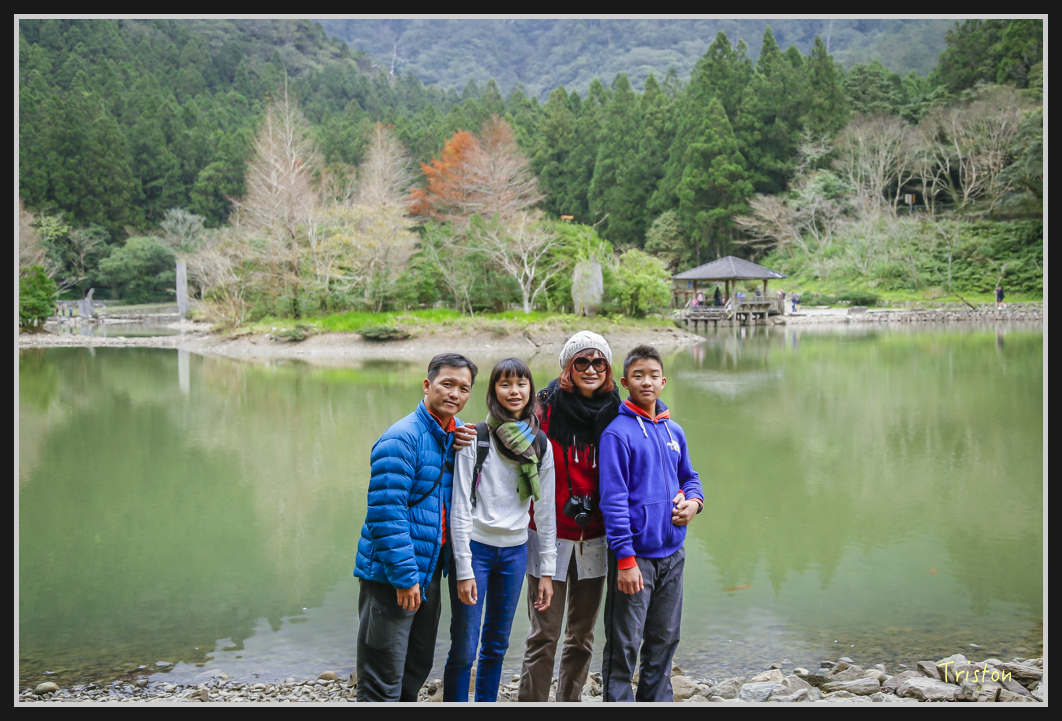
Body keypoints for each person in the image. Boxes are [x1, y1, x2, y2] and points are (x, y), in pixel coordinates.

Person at [353, 353, 479, 702]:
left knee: (416, 666)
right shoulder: (401, 438)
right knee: (382, 674)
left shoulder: (451, 436)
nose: (455, 393)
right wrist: (405, 577)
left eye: (463, 388)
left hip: (429, 570)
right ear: (427, 385)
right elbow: (386, 513)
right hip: (392, 575)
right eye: (447, 384)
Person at [445, 358, 557, 702]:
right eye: (505, 384)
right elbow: (460, 506)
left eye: (521, 384)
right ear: (494, 391)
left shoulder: (540, 444)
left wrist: (547, 570)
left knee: (496, 645)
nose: (514, 391)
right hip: (476, 549)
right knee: (464, 647)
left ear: (531, 390)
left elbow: (545, 511)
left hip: (515, 553)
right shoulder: (475, 437)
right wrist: (464, 568)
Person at [518, 331, 622, 702]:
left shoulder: (618, 412)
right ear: (568, 366)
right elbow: (506, 436)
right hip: (547, 536)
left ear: (608, 368)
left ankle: (569, 701)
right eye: (582, 361)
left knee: (581, 636)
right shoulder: (543, 409)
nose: (591, 369)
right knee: (543, 634)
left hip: (596, 536)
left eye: (599, 362)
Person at [598, 345, 704, 702]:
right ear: (625, 382)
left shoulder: (674, 431)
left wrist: (694, 503)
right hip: (636, 558)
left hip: (672, 554)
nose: (647, 382)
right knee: (624, 643)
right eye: (638, 376)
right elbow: (613, 501)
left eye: (653, 375)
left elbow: (690, 478)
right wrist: (625, 560)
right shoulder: (617, 434)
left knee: (664, 638)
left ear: (663, 381)